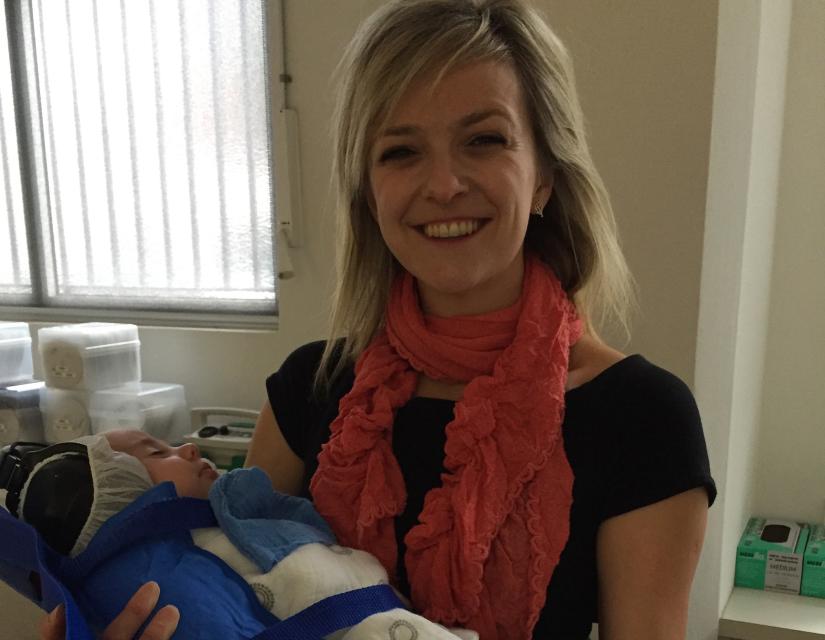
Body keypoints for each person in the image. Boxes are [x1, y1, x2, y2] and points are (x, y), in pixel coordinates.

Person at [42, 1, 716, 638]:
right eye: (401, 151)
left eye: (484, 140)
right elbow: (221, 595)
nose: (443, 185)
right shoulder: (310, 388)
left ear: (543, 174)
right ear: (368, 191)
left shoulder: (640, 418)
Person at [20, 430, 476, 639]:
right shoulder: (157, 575)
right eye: (157, 452)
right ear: (124, 497)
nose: (188, 447)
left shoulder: (223, 529)